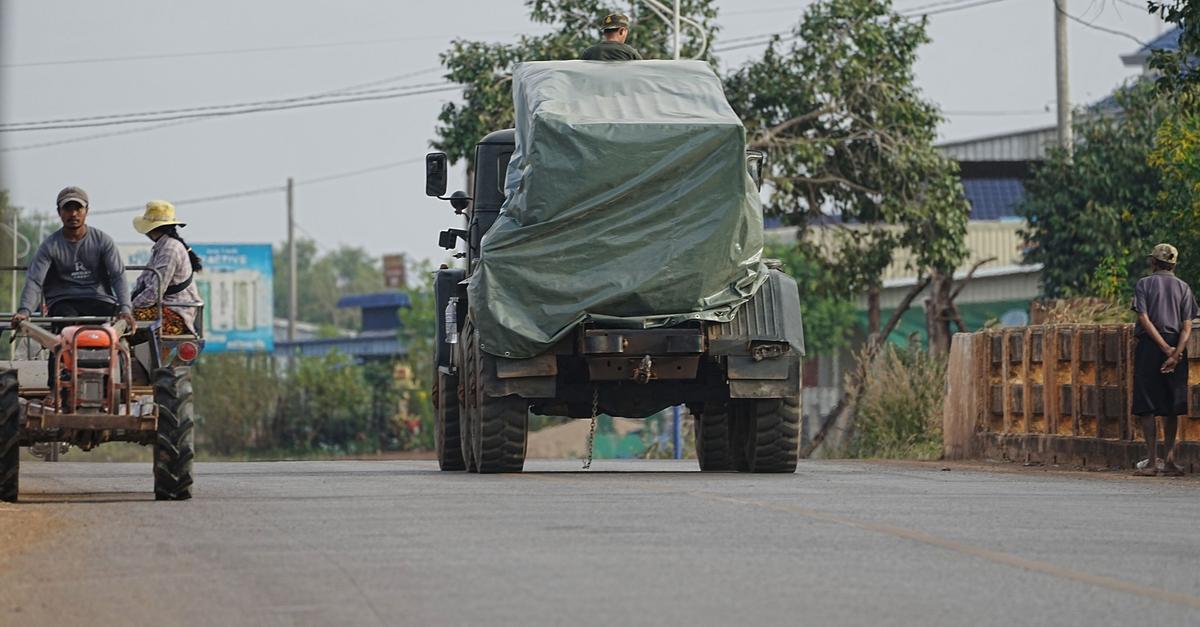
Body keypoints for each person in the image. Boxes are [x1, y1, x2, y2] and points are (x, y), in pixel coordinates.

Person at [11, 186, 134, 331]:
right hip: (63, 301)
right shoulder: (49, 246)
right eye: (68, 209)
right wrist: (24, 311)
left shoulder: (103, 241)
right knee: (65, 324)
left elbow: (117, 275)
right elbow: (35, 280)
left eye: (78, 208)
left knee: (115, 324)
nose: (74, 214)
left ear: (86, 210)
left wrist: (125, 309)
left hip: (98, 299)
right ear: (59, 212)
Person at [1130, 243, 1197, 477]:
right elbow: (1187, 326)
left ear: (1153, 262)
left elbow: (1144, 319)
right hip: (1177, 345)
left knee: (1147, 405)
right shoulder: (1184, 287)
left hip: (1151, 345)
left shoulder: (1144, 284)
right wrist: (1175, 353)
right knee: (1172, 405)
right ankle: (1169, 461)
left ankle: (1151, 462)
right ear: (1174, 264)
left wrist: (1164, 348)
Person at [130, 200, 203, 336]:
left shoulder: (170, 250)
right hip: (163, 307)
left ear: (151, 229)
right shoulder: (162, 247)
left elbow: (155, 292)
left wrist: (130, 307)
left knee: (123, 323)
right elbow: (143, 281)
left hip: (174, 314)